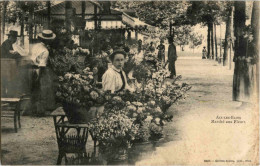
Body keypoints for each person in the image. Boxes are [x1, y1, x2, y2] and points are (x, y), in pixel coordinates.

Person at [30, 29, 56, 115]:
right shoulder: (45, 51)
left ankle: (34, 109)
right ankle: (40, 111)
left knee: (34, 90)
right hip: (40, 70)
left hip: (32, 69)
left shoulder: (35, 46)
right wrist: (39, 76)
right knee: (43, 90)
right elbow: (42, 65)